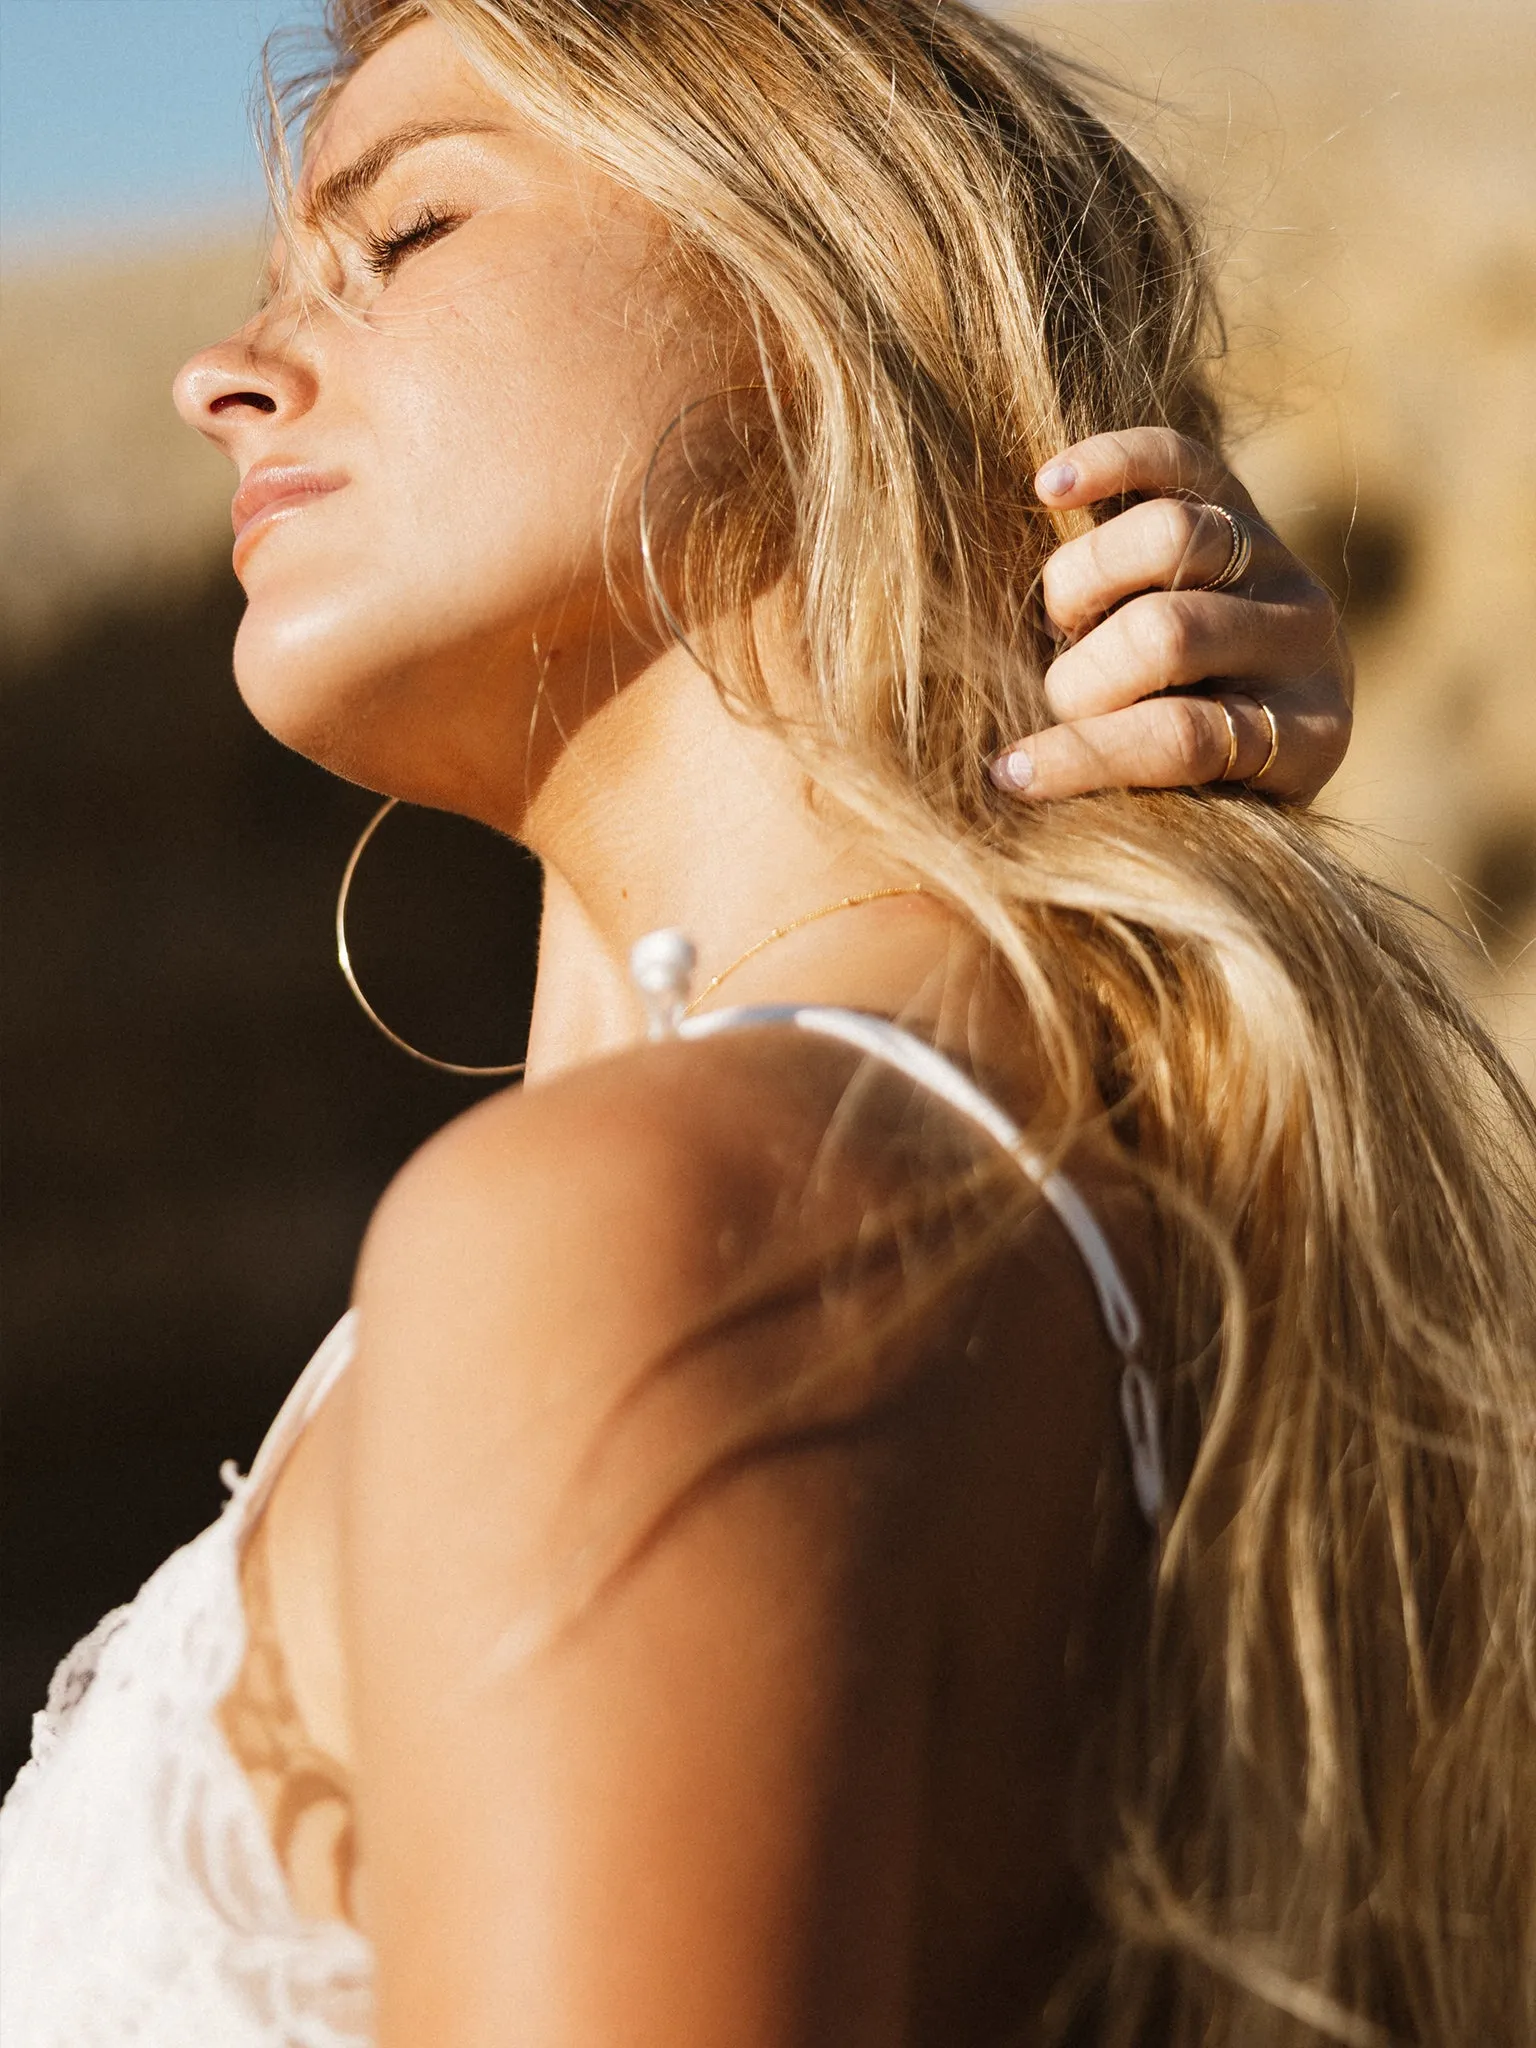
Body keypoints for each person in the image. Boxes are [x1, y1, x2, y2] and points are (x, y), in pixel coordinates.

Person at [3, 3, 1531, 2045]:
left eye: (412, 229)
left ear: (817, 279)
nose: (224, 373)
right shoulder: (1043, 1195)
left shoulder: (640, 1239)